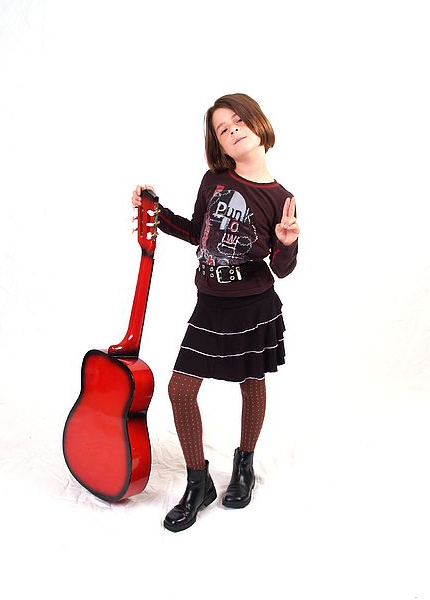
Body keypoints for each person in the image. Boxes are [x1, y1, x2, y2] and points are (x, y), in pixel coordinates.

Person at [131, 93, 300, 532]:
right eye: (223, 129)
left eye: (239, 120)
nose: (233, 129)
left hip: (255, 305)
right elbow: (198, 232)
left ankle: (244, 464)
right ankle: (198, 481)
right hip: (209, 306)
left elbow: (282, 270)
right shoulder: (215, 181)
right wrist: (156, 209)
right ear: (220, 146)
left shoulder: (280, 197)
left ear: (259, 125)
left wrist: (286, 241)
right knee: (181, 389)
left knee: (251, 381)